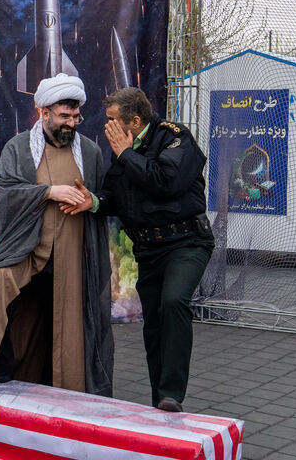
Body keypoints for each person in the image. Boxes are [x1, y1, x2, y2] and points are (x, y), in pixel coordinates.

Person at [0, 73, 113, 396]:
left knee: (72, 313)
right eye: (64, 116)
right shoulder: (19, 148)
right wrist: (48, 192)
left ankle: (70, 386)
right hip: (27, 245)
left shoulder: (90, 152)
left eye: (75, 116)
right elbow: (4, 192)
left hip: (73, 247)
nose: (71, 122)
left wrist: (91, 202)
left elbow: (105, 199)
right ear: (44, 113)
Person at [93, 87, 213, 413]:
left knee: (174, 301)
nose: (109, 128)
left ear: (134, 121)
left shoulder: (175, 138)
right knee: (155, 325)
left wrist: (125, 154)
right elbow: (113, 198)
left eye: (114, 121)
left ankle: (173, 391)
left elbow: (166, 181)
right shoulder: (123, 153)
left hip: (186, 242)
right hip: (149, 249)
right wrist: (90, 202)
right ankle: (161, 401)